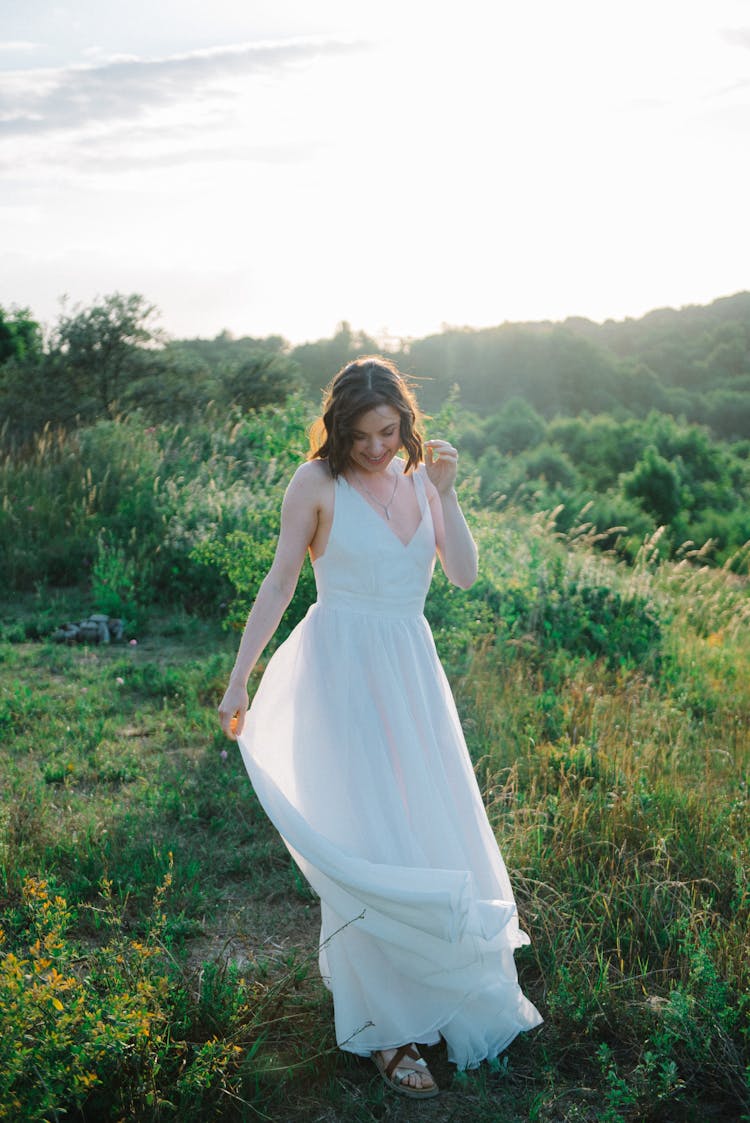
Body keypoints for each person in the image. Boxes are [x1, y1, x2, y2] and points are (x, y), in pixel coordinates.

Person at [218, 356, 542, 1098]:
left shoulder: (423, 481)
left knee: (427, 825)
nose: (374, 447)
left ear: (405, 424)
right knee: (368, 833)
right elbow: (280, 580)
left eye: (387, 432)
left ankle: (443, 989)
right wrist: (241, 675)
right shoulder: (315, 484)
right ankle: (387, 1030)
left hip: (412, 677)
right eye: (360, 434)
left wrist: (446, 495)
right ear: (339, 428)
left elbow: (461, 572)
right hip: (342, 674)